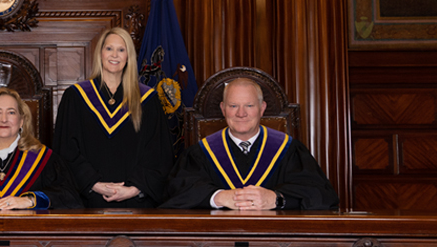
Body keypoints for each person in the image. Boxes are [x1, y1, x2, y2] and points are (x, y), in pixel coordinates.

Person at [161, 78, 339, 210]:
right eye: (233, 106)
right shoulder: (199, 154)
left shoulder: (290, 150)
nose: (241, 113)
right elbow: (174, 193)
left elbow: (321, 195)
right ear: (223, 109)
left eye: (249, 105)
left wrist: (276, 198)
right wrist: (217, 197)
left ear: (262, 109)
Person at [52, 27, 174, 208]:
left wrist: (134, 189)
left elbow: (158, 153)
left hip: (136, 202)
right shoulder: (76, 97)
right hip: (88, 201)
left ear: (128, 56)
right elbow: (66, 151)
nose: (114, 55)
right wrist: (94, 184)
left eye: (121, 50)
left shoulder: (148, 100)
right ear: (100, 53)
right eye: (109, 48)